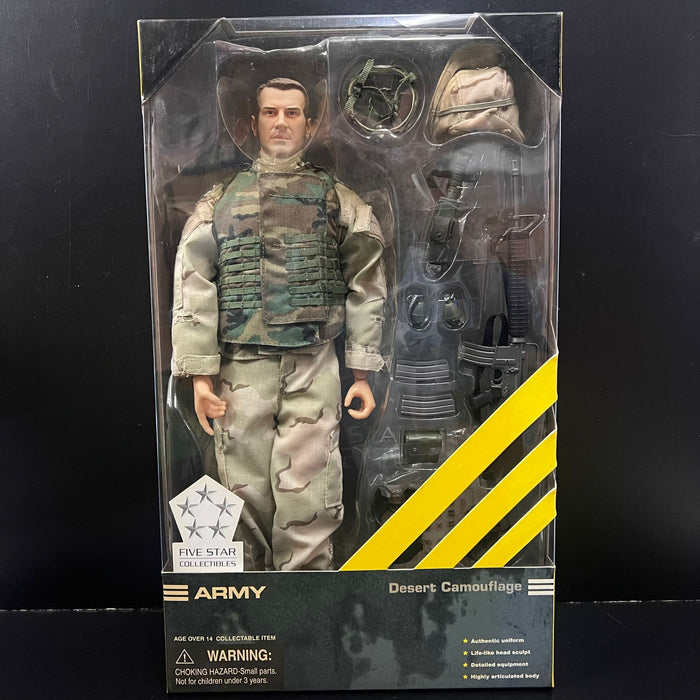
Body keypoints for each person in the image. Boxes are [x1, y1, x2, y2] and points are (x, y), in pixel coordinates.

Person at [171, 77, 387, 570]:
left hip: (314, 362)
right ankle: (247, 587)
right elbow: (193, 282)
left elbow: (367, 277)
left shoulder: (337, 198)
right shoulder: (221, 200)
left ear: (310, 124)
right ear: (253, 123)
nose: (281, 123)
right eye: (271, 112)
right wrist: (201, 375)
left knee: (311, 481)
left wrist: (361, 370)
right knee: (240, 481)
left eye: (292, 113)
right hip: (241, 366)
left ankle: (306, 588)